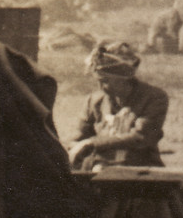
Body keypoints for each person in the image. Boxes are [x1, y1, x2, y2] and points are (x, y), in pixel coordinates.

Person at [69, 41, 169, 171]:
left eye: (105, 82)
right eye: (98, 82)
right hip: (97, 168)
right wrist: (73, 147)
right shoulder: (94, 101)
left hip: (140, 171)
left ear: (123, 78)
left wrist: (92, 143)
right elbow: (79, 137)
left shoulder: (153, 97)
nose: (100, 87)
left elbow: (141, 137)